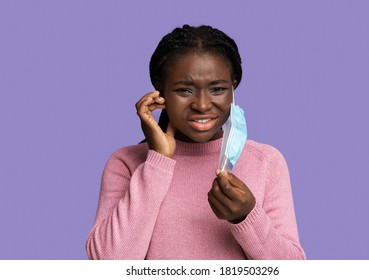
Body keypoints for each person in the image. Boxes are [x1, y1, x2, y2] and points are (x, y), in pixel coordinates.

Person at [86, 24, 306, 260]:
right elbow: (108, 263)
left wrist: (247, 216)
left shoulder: (266, 162)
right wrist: (158, 161)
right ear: (160, 91)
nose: (202, 105)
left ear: (233, 88)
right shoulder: (126, 163)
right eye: (184, 90)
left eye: (217, 89)